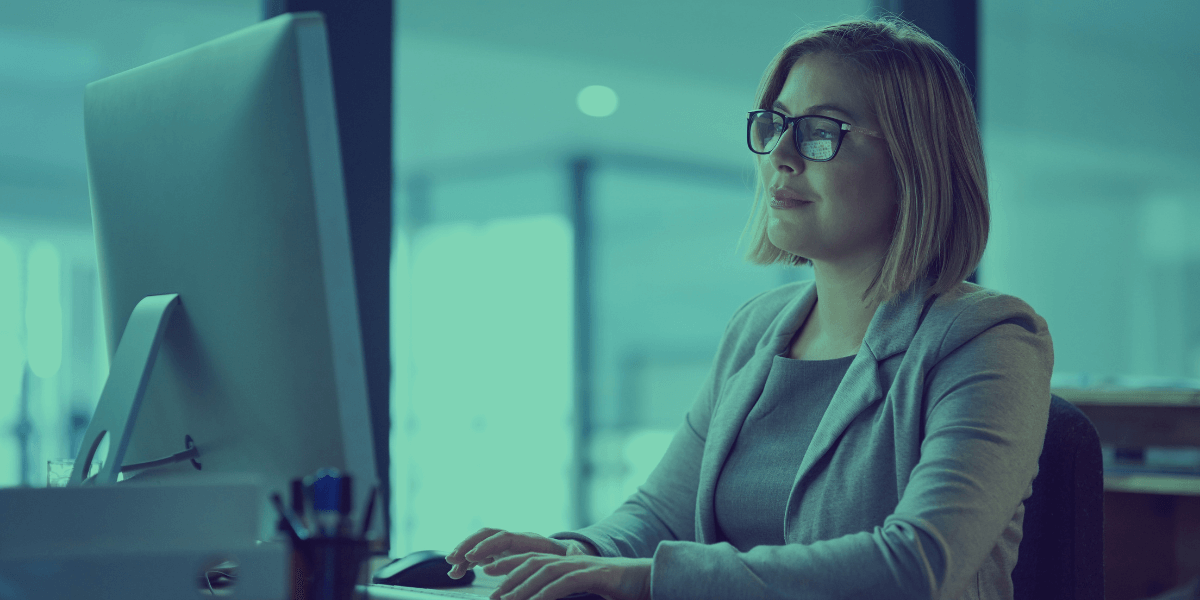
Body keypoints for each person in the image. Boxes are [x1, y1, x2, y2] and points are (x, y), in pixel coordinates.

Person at [445, 16, 1052, 600]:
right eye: (776, 124)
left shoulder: (989, 338)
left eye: (821, 132)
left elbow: (916, 565)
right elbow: (662, 512)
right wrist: (576, 554)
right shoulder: (757, 329)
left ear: (914, 161)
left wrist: (644, 580)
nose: (780, 156)